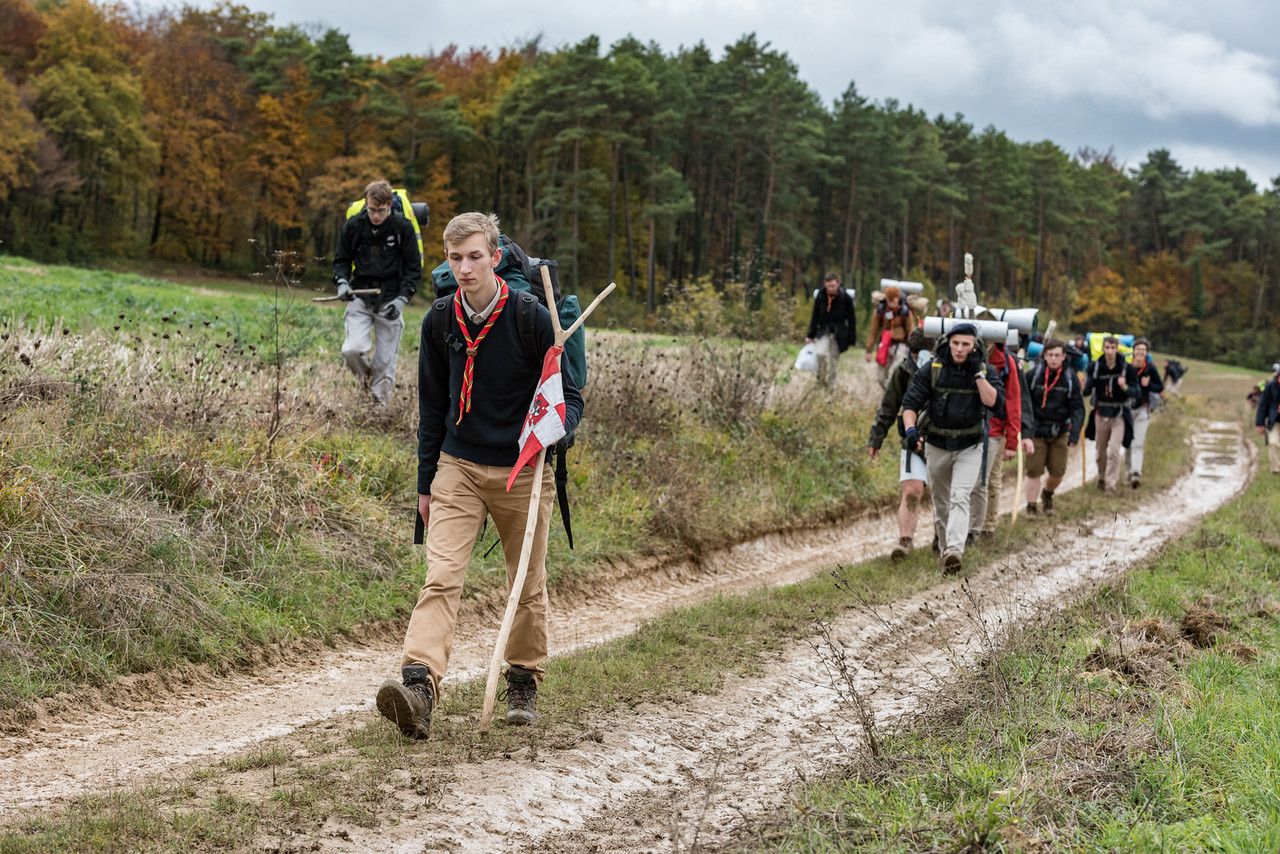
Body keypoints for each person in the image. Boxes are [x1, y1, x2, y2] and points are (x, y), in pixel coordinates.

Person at [376, 212, 584, 738]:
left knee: (526, 583)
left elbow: (570, 396)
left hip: (521, 468)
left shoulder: (531, 318)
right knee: (440, 578)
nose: (464, 268)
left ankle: (522, 679)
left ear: (495, 257)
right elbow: (431, 408)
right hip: (458, 466)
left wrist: (555, 431)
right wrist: (426, 484)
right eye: (454, 258)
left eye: (474, 256)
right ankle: (419, 687)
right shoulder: (440, 320)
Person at [900, 322, 1004, 574]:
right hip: (937, 445)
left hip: (970, 445)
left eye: (966, 344)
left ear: (974, 346)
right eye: (956, 343)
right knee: (941, 501)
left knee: (960, 496)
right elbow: (910, 404)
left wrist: (977, 373)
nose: (959, 349)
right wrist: (911, 430)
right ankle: (945, 546)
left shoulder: (986, 371)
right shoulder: (932, 368)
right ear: (948, 342)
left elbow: (995, 403)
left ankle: (954, 551)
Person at [333, 180, 423, 406]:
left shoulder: (403, 228)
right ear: (366, 204)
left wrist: (402, 299)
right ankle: (365, 384)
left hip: (391, 301)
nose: (375, 215)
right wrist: (342, 283)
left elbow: (414, 267)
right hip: (359, 299)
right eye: (372, 209)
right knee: (351, 350)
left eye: (381, 210)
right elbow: (341, 260)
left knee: (384, 363)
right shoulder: (354, 225)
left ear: (389, 206)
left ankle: (377, 410)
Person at [866, 328, 935, 561]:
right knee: (912, 491)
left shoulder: (945, 371)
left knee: (943, 495)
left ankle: (942, 539)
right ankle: (905, 541)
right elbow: (888, 406)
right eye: (915, 354)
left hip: (941, 440)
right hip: (911, 439)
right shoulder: (903, 371)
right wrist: (877, 438)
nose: (919, 359)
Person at [968, 341, 1033, 542]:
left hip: (995, 431)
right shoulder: (965, 354)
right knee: (975, 480)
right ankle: (973, 525)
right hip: (968, 428)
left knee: (987, 480)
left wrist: (1012, 441)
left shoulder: (1006, 361)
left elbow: (1014, 401)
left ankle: (986, 527)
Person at [1022, 338, 1085, 516]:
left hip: (1060, 432)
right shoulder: (1033, 376)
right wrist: (1025, 430)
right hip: (1037, 431)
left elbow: (1078, 408)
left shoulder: (1070, 378)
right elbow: (1023, 403)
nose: (1054, 359)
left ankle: (1047, 494)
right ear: (1045, 355)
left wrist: (1074, 434)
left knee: (1058, 472)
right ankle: (1031, 507)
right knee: (1034, 471)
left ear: (1064, 356)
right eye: (1050, 355)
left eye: (1057, 355)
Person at [1083, 336, 1137, 494]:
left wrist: (1125, 386)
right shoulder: (1096, 367)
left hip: (1119, 414)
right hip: (1101, 413)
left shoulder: (1127, 369)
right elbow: (1087, 391)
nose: (1110, 351)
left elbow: (1136, 391)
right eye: (1107, 348)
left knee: (1114, 451)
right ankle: (1101, 477)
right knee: (1100, 451)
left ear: (1117, 349)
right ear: (1103, 348)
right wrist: (1083, 387)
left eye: (1113, 348)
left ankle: (1110, 485)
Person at [805, 272, 856, 390]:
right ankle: (820, 381)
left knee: (834, 360)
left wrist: (851, 338)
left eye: (833, 286)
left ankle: (831, 385)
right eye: (829, 286)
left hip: (839, 332)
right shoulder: (821, 296)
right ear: (825, 284)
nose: (831, 289)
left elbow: (852, 319)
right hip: (823, 330)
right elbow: (815, 316)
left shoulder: (845, 298)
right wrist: (810, 335)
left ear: (838, 284)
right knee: (820, 353)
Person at [1124, 338, 1163, 488]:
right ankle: (1128, 473)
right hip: (1127, 410)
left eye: (1143, 350)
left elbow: (1159, 387)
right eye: (1138, 349)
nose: (1140, 352)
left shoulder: (1150, 369)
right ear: (1133, 351)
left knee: (1138, 443)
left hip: (1142, 410)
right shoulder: (1127, 368)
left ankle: (1136, 473)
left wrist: (1149, 385)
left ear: (1147, 353)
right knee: (1127, 443)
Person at [865, 285, 915, 389]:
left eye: (894, 301)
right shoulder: (880, 311)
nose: (892, 303)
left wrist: (913, 350)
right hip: (884, 344)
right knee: (880, 377)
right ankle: (890, 395)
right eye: (890, 301)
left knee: (895, 374)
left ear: (898, 298)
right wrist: (869, 350)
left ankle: (892, 399)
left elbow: (911, 332)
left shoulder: (905, 312)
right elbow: (873, 331)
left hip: (900, 345)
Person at [1256, 366, 1280, 475]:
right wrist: (1260, 424)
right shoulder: (1270, 386)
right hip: (1274, 420)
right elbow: (1262, 405)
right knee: (1273, 443)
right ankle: (1276, 470)